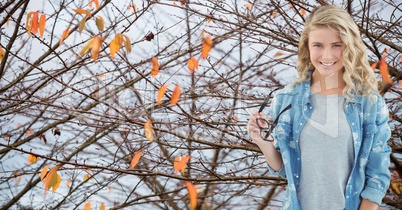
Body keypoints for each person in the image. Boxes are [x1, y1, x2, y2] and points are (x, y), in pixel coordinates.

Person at [247, 4, 391, 210]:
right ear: (307, 46)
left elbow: (378, 175)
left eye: (336, 45)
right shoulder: (286, 99)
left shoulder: (369, 103)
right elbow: (285, 169)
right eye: (318, 45)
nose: (327, 55)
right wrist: (265, 144)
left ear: (349, 46)